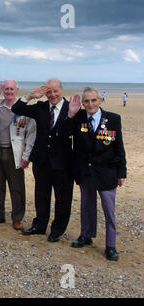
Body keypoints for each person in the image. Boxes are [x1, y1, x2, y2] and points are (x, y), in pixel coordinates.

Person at [66, 88, 126, 261]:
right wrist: (70, 115)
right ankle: (86, 235)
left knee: (109, 210)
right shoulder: (78, 118)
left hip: (107, 173)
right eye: (86, 101)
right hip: (86, 172)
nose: (90, 104)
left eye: (93, 100)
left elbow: (119, 147)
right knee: (87, 207)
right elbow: (65, 134)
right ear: (82, 103)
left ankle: (111, 245)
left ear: (100, 100)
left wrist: (122, 172)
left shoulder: (113, 119)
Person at [11, 78, 74, 242]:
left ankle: (57, 230)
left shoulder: (72, 109)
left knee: (62, 199)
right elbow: (17, 108)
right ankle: (39, 226)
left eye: (55, 91)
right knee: (41, 196)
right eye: (49, 92)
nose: (52, 95)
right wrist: (31, 95)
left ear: (61, 90)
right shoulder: (40, 107)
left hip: (63, 163)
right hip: (42, 161)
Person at [0, 80, 36, 231]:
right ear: (3, 90)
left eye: (11, 89)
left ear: (17, 90)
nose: (9, 91)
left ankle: (17, 218)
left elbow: (31, 134)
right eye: (6, 89)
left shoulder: (23, 109)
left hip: (15, 153)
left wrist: (26, 156)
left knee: (17, 188)